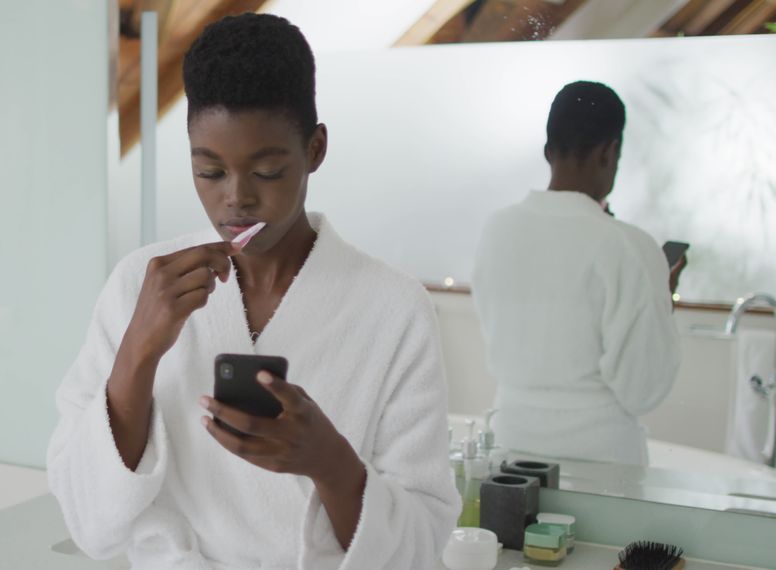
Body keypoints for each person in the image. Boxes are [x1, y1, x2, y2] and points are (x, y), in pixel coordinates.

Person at [47, 13, 459, 569]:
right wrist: (138, 351)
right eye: (210, 172)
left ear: (314, 150)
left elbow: (421, 546)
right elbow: (87, 520)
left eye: (267, 171)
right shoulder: (137, 284)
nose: (236, 199)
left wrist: (332, 464)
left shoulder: (395, 310)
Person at [471, 81, 684, 466]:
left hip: (509, 448)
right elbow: (643, 389)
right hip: (601, 461)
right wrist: (660, 303)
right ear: (610, 151)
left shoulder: (496, 230)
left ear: (548, 150)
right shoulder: (628, 246)